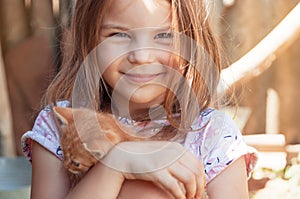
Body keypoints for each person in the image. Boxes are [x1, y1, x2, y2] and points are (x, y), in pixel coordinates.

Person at [21, 0, 257, 198]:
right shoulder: (60, 127)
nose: (141, 56)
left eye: (164, 35)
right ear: (89, 40)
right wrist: (116, 165)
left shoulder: (211, 133)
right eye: (119, 34)